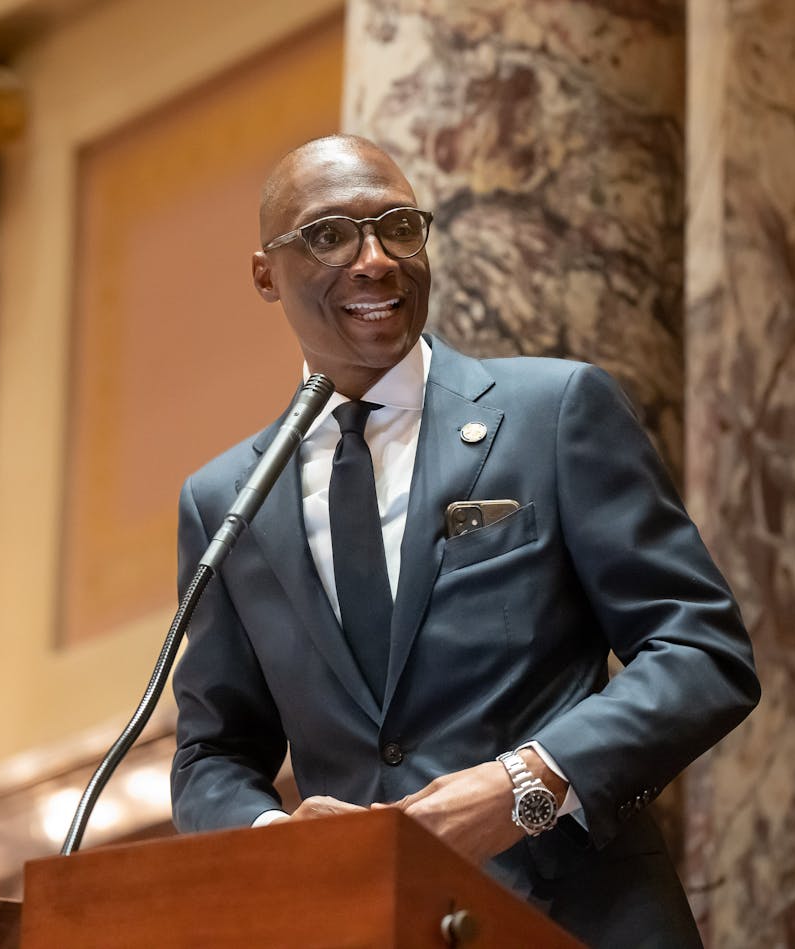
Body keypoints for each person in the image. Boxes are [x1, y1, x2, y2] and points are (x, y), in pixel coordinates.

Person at [170, 134, 758, 947]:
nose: (375, 260)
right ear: (266, 274)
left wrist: (525, 785)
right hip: (360, 926)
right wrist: (280, 842)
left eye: (399, 227)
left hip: (574, 922)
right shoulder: (225, 501)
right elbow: (214, 754)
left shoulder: (552, 413)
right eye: (330, 235)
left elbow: (703, 650)